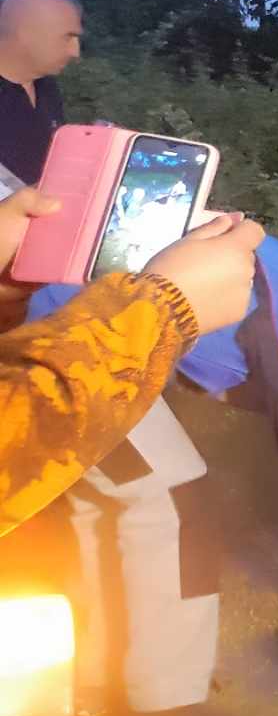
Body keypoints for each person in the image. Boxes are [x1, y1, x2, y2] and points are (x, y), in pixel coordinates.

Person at [28, 232, 278, 716]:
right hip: (79, 358)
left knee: (109, 509)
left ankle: (94, 681)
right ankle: (167, 710)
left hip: (51, 335)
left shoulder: (277, 262)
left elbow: (206, 369)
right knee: (182, 507)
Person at [0, 195, 264, 536]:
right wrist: (163, 309)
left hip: (60, 345)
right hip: (85, 356)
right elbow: (27, 431)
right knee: (169, 491)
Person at [0, 0, 83, 329]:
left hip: (58, 245)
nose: (76, 51)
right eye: (68, 36)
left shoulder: (46, 87)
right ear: (26, 32)